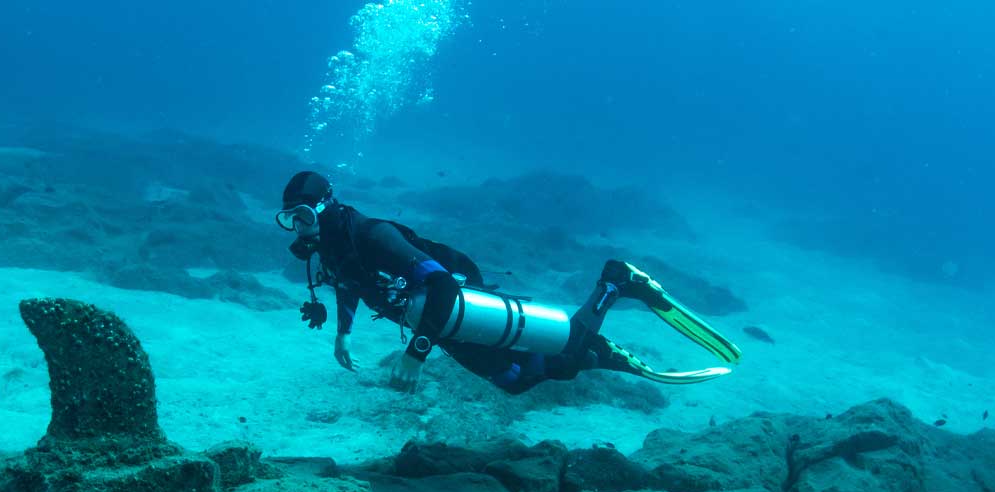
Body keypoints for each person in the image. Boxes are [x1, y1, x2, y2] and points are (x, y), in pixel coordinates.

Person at [275, 170, 742, 393]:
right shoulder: (335, 250)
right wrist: (342, 332)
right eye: (289, 219)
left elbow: (439, 285)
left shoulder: (373, 235)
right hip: (430, 320)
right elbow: (351, 284)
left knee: (555, 353)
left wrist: (416, 354)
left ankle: (614, 285)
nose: (299, 228)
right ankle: (595, 352)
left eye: (302, 215)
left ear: (325, 206)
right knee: (514, 380)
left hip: (452, 301)